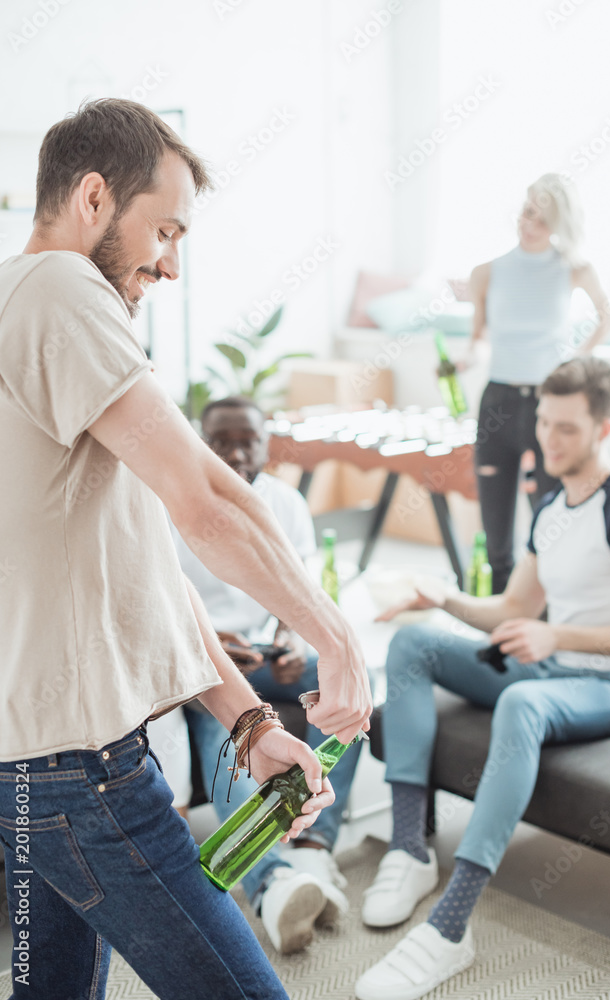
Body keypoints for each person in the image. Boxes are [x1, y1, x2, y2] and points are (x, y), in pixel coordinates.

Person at [0, 98, 372, 1000]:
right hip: (81, 776)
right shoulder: (59, 291)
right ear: (93, 198)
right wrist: (337, 638)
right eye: (162, 230)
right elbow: (207, 498)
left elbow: (143, 571)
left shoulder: (24, 304)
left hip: (32, 770)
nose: (169, 262)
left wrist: (247, 721)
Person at [355, 357, 610, 1000]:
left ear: (604, 428)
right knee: (413, 644)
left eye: (567, 429)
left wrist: (561, 636)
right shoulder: (553, 503)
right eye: (545, 423)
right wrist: (438, 595)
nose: (549, 440)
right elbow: (514, 609)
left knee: (522, 702)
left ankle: (450, 925)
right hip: (555, 665)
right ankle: (410, 849)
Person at [164, 395, 363, 954]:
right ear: (200, 443)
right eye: (219, 440)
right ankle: (271, 883)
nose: (234, 451)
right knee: (225, 732)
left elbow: (298, 590)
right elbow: (168, 599)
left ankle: (313, 852)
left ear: (266, 443)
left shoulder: (287, 502)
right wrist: (218, 643)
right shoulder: (170, 504)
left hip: (271, 657)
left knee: (349, 710)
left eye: (246, 440)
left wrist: (292, 641)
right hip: (212, 664)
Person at [466, 173, 610, 593]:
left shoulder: (574, 270)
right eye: (527, 211)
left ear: (558, 225)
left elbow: (608, 319)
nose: (529, 222)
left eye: (542, 218)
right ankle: (498, 615)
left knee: (547, 517)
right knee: (495, 522)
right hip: (497, 401)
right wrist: (460, 363)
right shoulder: (487, 272)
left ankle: (545, 614)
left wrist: (573, 364)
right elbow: (477, 342)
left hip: (546, 406)